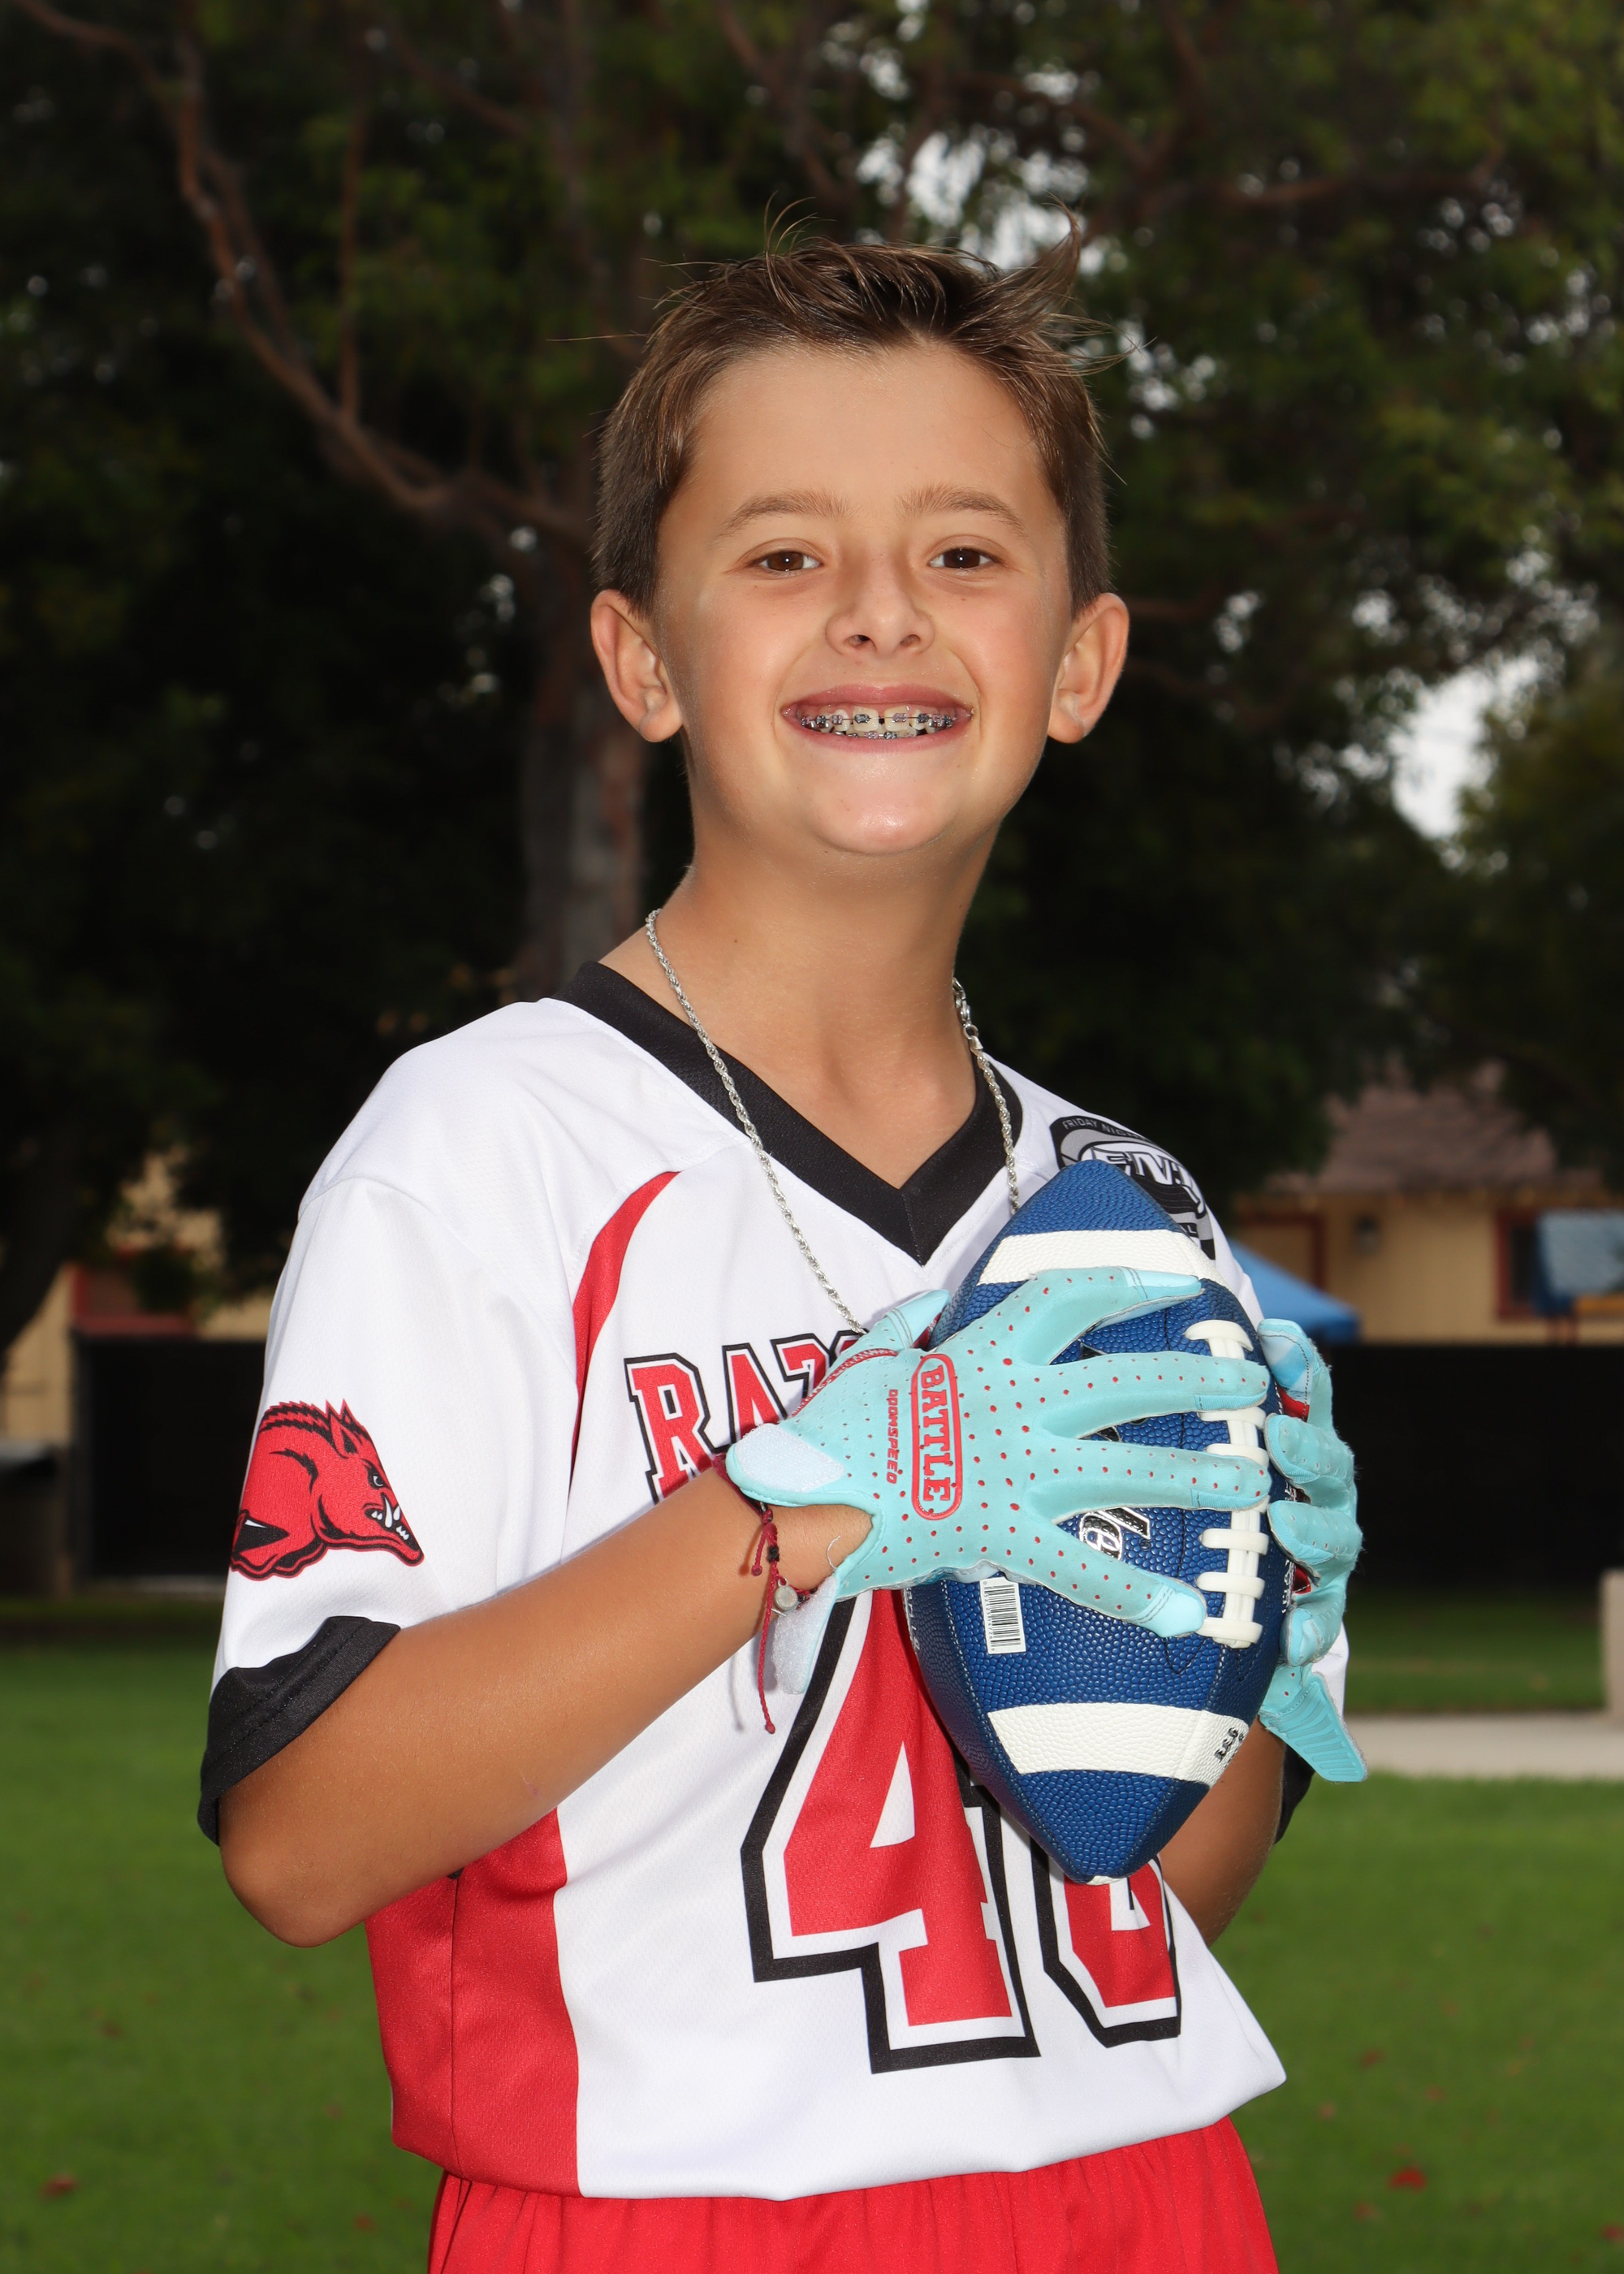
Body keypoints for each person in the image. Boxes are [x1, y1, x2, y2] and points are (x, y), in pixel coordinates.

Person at [201, 231, 1361, 2274]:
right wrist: (795, 1502)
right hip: (672, 2218)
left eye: (965, 552)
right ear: (643, 656)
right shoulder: (483, 1150)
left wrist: (1253, 1643)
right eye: (783, 553)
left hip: (1140, 2195)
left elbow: (1149, 1892)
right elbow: (300, 1836)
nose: (880, 609)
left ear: (1079, 661)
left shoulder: (1128, 1207)